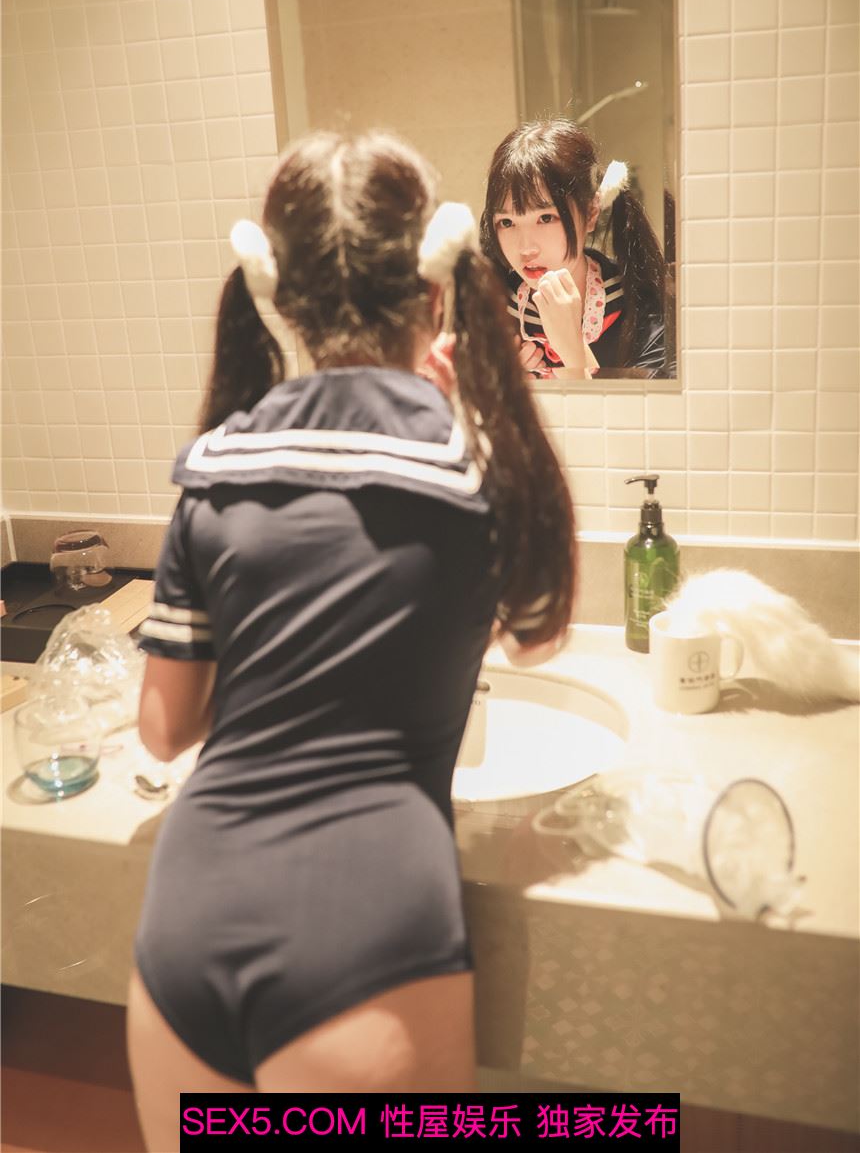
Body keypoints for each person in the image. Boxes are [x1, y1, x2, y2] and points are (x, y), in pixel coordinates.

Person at [127, 130, 576, 1145]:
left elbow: (163, 729)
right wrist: (466, 409)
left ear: (275, 294)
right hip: (368, 931)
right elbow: (539, 641)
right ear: (435, 285)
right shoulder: (470, 465)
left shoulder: (216, 462)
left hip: (185, 923)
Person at [480, 119, 675, 380]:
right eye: (507, 222)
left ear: (591, 214)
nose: (525, 248)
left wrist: (572, 348)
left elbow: (650, 406)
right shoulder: (493, 306)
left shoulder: (639, 306)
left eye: (546, 218)